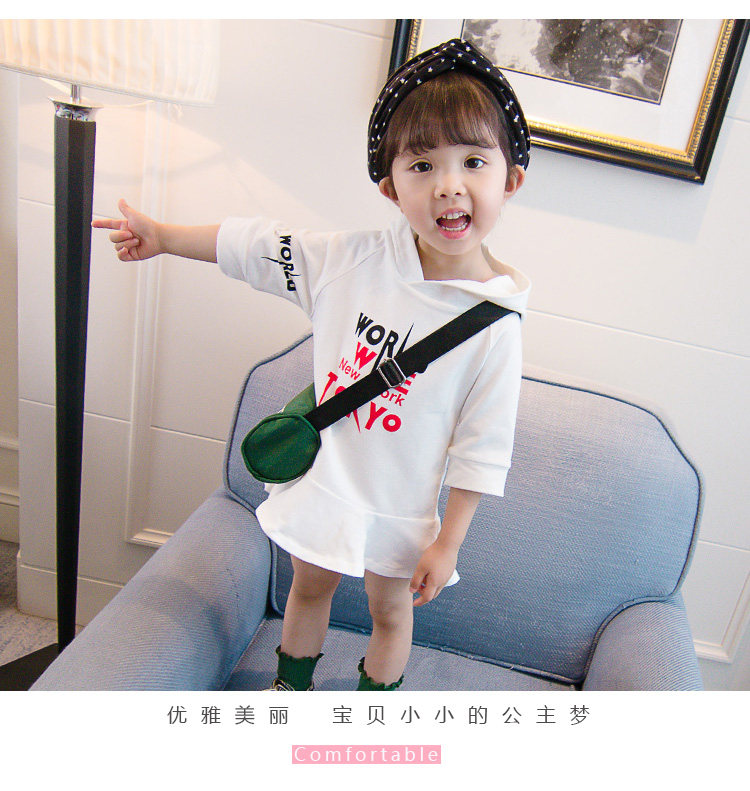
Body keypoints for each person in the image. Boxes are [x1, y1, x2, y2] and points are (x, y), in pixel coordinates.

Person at [93, 38, 532, 691]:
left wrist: (449, 543)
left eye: (473, 161)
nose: (448, 185)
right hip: (326, 485)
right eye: (422, 165)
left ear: (510, 179)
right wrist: (165, 238)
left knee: (390, 613)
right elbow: (256, 245)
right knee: (308, 589)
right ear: (390, 188)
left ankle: (371, 714)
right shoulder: (352, 261)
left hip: (400, 506)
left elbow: (482, 448)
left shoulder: (495, 324)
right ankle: (289, 690)